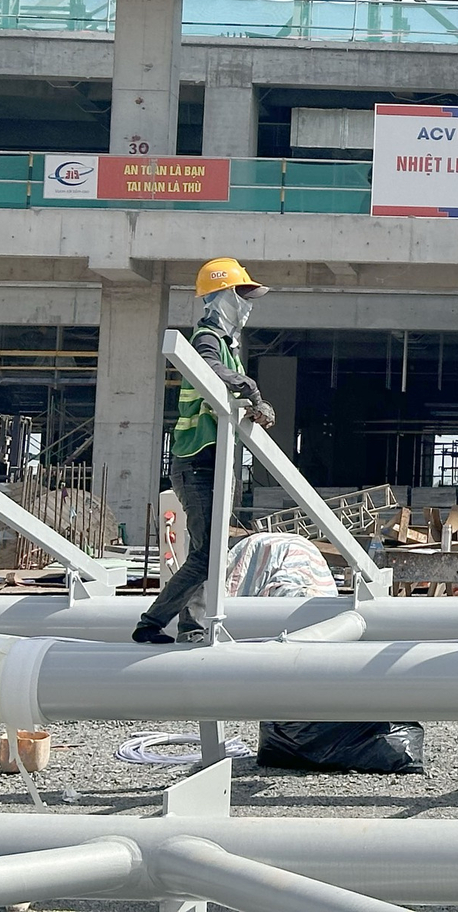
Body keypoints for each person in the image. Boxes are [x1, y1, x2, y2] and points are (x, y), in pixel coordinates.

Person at [132, 257, 276, 645]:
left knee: (205, 551)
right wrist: (246, 386)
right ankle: (151, 622)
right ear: (221, 296)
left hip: (208, 461)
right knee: (209, 554)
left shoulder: (228, 346)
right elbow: (209, 369)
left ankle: (191, 628)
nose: (247, 305)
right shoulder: (208, 338)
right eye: (241, 295)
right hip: (197, 460)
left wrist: (250, 406)